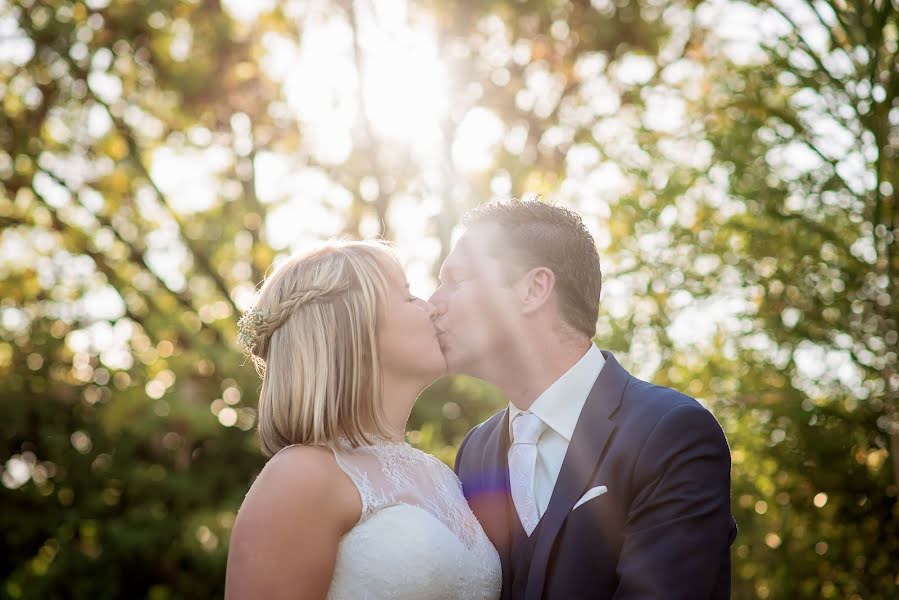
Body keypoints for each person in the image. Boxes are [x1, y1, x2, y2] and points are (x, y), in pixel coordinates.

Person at [429, 199, 737, 600]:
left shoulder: (671, 433)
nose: (433, 303)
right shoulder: (475, 451)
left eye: (455, 279)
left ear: (533, 289)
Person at [225, 240, 500, 600]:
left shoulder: (445, 477)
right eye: (407, 295)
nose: (430, 307)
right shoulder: (301, 476)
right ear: (355, 326)